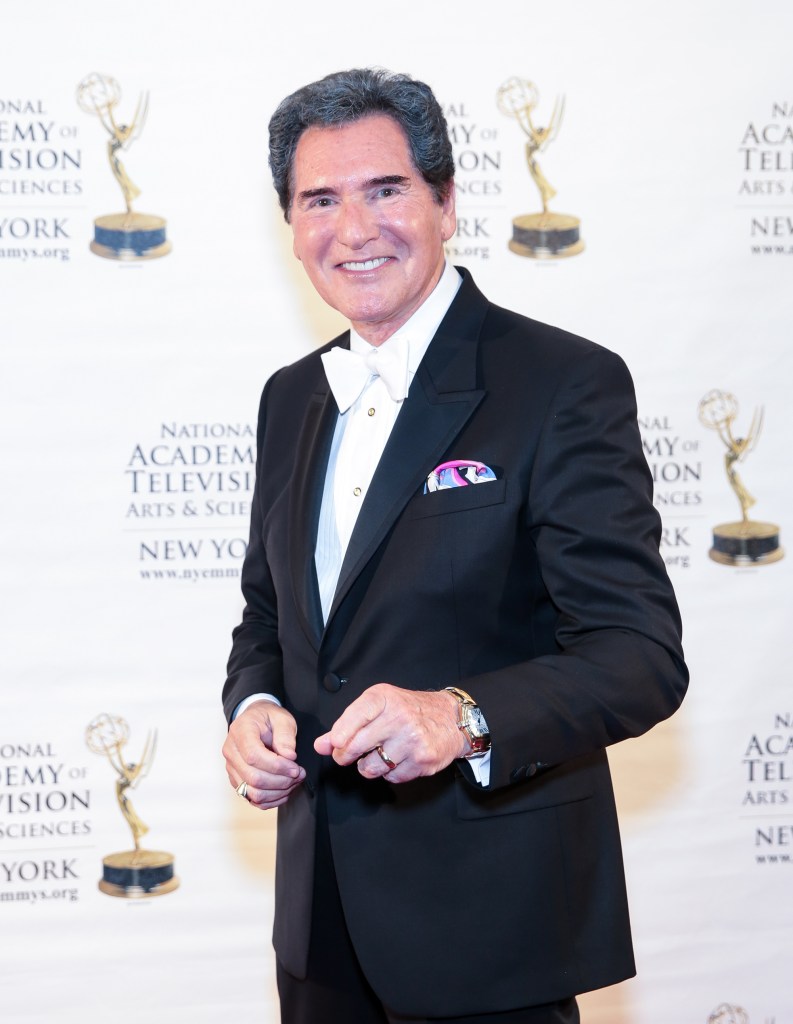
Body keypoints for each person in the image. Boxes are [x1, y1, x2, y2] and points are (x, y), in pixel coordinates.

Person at [222, 67, 688, 1024]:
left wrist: (462, 715)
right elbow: (269, 617)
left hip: (489, 933)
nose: (353, 230)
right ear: (292, 227)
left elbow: (638, 656)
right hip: (319, 930)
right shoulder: (290, 399)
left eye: (384, 189)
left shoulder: (562, 382)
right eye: (320, 200)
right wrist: (255, 703)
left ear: (443, 200)